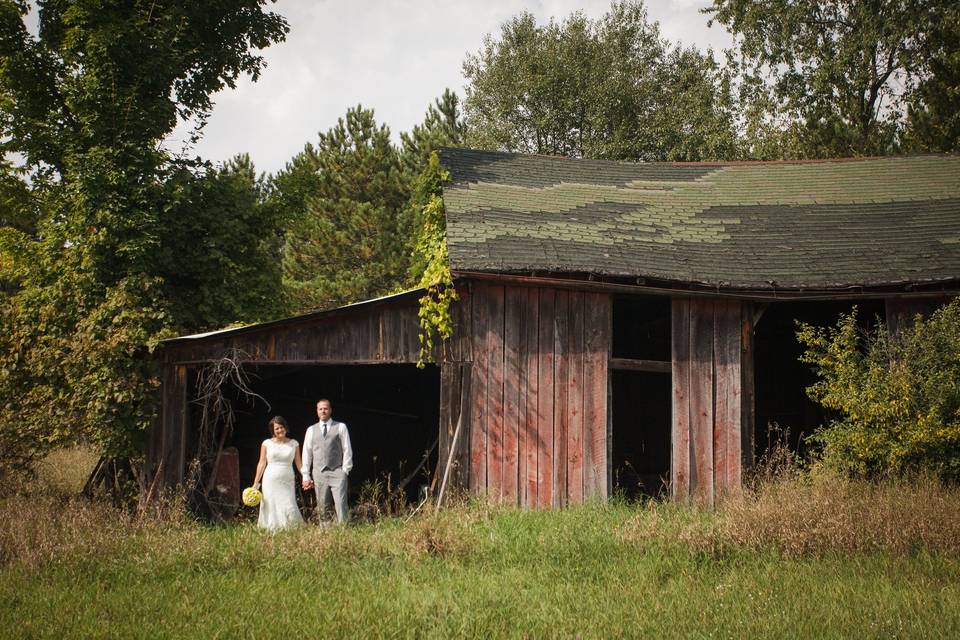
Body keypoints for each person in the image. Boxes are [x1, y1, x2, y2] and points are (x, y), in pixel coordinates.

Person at [301, 399, 353, 524]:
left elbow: (347, 449)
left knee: (341, 504)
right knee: (322, 505)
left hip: (337, 470)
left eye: (325, 408)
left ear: (330, 410)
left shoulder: (341, 426)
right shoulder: (311, 430)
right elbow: (307, 453)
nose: (323, 411)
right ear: (317, 411)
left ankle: (343, 531)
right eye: (320, 409)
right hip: (319, 472)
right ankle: (325, 533)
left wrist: (345, 470)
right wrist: (306, 475)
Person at [252, 416, 305, 531]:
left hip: (287, 478)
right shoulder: (266, 443)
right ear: (273, 431)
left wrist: (306, 476)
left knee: (289, 502)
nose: (280, 430)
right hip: (270, 478)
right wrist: (256, 483)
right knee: (271, 503)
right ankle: (271, 528)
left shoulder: (294, 443)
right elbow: (261, 463)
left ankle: (291, 528)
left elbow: (299, 463)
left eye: (281, 427)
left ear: (285, 427)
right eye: (277, 429)